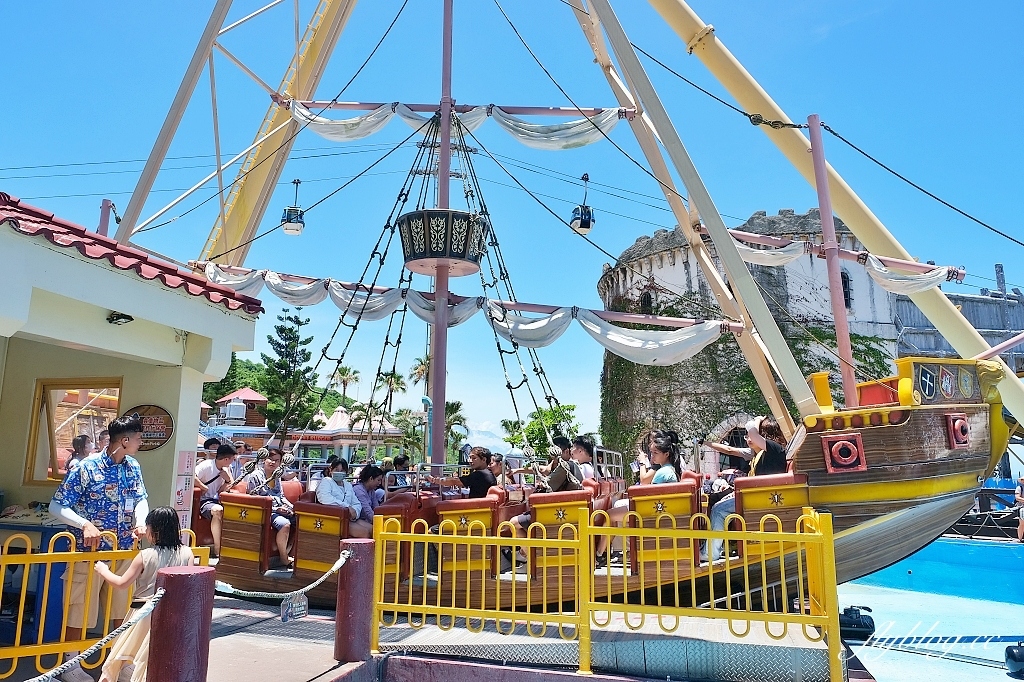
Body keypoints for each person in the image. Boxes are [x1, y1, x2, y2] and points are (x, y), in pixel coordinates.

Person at [49, 413, 149, 682]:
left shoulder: (133, 467)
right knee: (79, 608)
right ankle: (70, 664)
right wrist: (84, 524)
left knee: (125, 609)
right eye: (138, 438)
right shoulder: (85, 467)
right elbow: (57, 505)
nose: (141, 442)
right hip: (88, 552)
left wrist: (141, 521)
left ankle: (121, 662)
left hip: (124, 548)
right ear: (124, 440)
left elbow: (140, 498)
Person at [92, 507, 193, 682]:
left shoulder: (146, 555)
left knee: (115, 660)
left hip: (142, 613)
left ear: (154, 530)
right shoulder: (187, 553)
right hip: (172, 614)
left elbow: (122, 583)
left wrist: (103, 570)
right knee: (156, 660)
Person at [595, 430, 682, 566]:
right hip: (653, 509)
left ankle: (600, 554)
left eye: (655, 453)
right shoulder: (667, 469)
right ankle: (605, 552)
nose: (652, 456)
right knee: (614, 513)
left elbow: (645, 490)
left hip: (648, 511)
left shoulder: (663, 472)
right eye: (651, 452)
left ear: (666, 454)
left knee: (608, 515)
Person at [707, 416, 788, 561]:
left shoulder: (775, 449)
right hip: (754, 495)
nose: (750, 438)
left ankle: (711, 553)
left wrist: (757, 420)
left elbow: (751, 431)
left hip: (760, 499)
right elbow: (732, 449)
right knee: (717, 501)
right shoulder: (761, 452)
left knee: (718, 511)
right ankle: (722, 545)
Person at [245, 448, 294, 568]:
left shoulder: (276, 476)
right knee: (285, 524)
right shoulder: (255, 476)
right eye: (270, 459)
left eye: (276, 460)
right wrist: (276, 510)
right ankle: (283, 557)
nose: (273, 462)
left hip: (279, 509)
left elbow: (281, 496)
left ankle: (293, 553)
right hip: (265, 512)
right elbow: (253, 499)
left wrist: (292, 508)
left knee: (301, 520)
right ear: (264, 460)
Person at [193, 444, 236, 558]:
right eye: (232, 459)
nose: (232, 462)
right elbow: (192, 475)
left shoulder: (227, 470)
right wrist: (203, 487)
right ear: (226, 459)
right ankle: (218, 549)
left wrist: (227, 480)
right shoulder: (206, 465)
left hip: (215, 500)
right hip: (203, 501)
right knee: (218, 510)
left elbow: (223, 490)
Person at [317, 458, 370, 538]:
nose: (339, 472)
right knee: (364, 532)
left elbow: (356, 503)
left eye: (342, 470)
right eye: (336, 469)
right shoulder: (326, 481)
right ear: (331, 470)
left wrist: (355, 513)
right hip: (335, 518)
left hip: (349, 518)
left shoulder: (348, 485)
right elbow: (325, 498)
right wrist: (347, 507)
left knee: (373, 529)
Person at [429, 447, 497, 498]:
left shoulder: (480, 475)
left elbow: (455, 481)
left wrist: (434, 480)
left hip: (477, 509)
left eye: (474, 458)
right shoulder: (490, 474)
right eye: (470, 458)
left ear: (484, 460)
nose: (470, 461)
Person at [1015, 476, 1024, 543]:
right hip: (1022, 508)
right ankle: (1020, 538)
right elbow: (1017, 498)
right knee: (1022, 523)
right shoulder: (1019, 488)